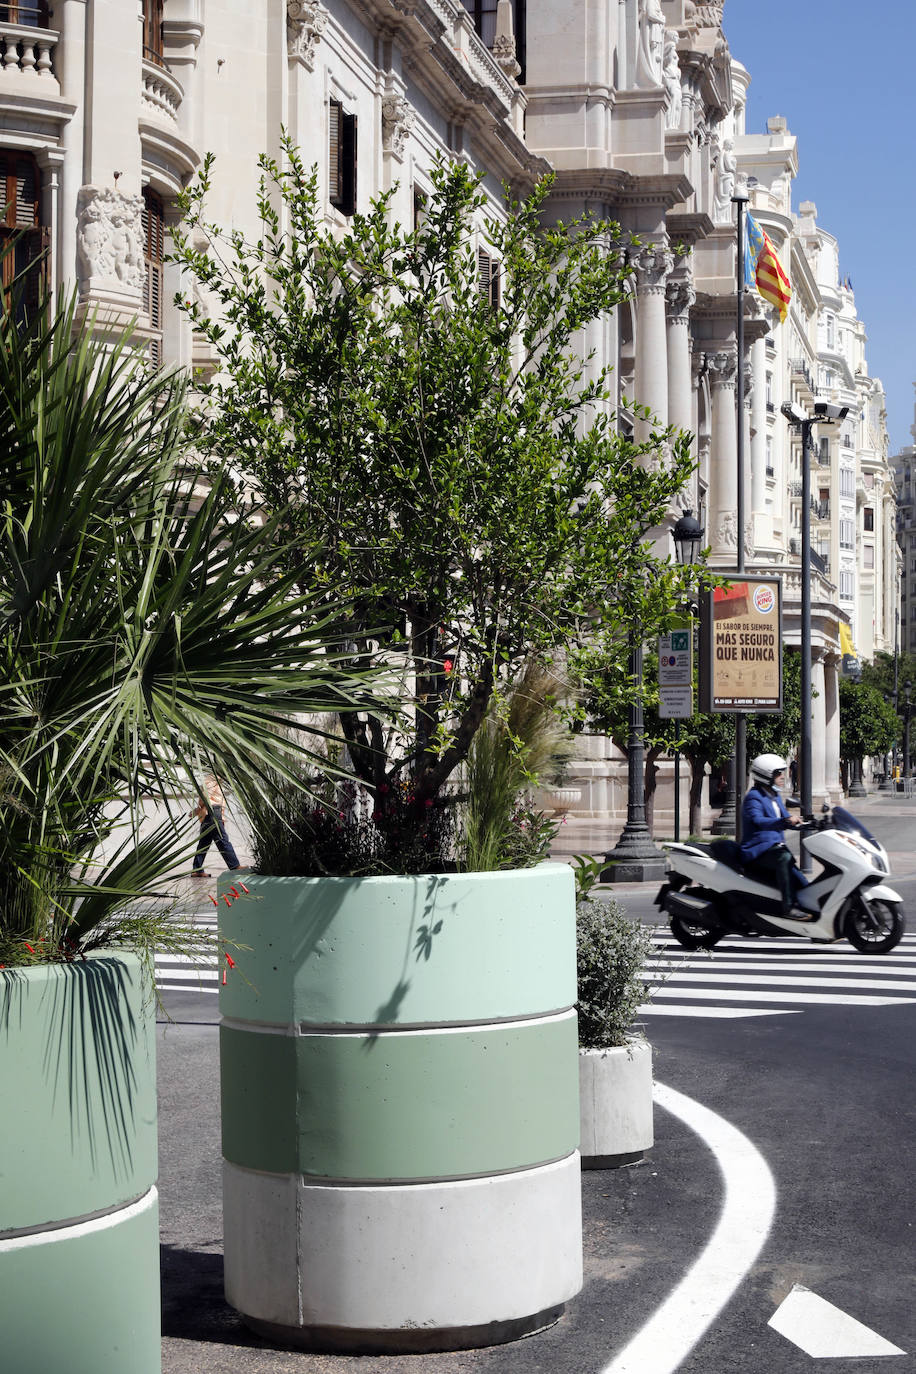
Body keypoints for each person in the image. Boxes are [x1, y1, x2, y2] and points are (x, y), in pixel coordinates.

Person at [740, 754, 804, 916]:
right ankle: (788, 908)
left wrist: (805, 823)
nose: (783, 776)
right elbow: (758, 820)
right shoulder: (754, 797)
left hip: (775, 849)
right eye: (778, 773)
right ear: (766, 775)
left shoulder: (774, 796)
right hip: (757, 851)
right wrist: (786, 820)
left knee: (801, 880)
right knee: (785, 859)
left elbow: (784, 819)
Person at [189, 774, 242, 876]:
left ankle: (197, 870)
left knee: (204, 843)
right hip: (213, 812)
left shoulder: (213, 780)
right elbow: (205, 798)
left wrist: (197, 811)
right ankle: (235, 866)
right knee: (223, 840)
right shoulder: (211, 780)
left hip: (210, 814)